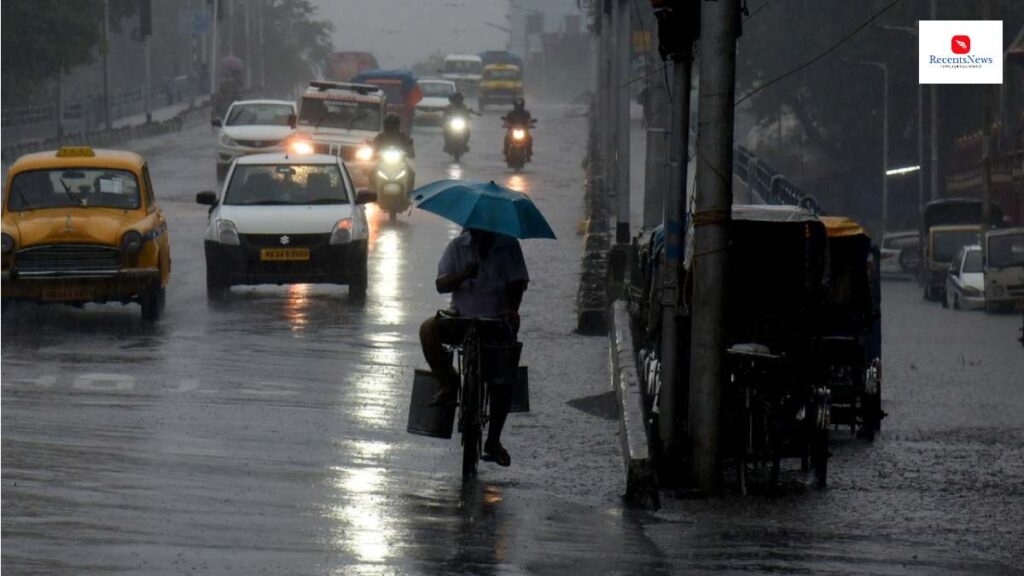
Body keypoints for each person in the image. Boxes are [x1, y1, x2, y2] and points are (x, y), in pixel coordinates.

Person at [419, 227, 530, 467]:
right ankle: (449, 383)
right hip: (461, 319)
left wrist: (512, 309)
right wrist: (463, 275)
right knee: (427, 329)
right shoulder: (457, 246)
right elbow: (441, 284)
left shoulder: (508, 246)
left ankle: (493, 440)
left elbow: (519, 283)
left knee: (504, 376)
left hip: (495, 322)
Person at [372, 113, 415, 189]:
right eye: (389, 124)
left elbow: (410, 147)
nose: (391, 127)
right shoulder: (380, 137)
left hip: (400, 164)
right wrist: (374, 153)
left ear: (397, 125)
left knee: (411, 173)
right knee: (371, 172)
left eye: (394, 124)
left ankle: (409, 193)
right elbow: (374, 148)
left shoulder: (403, 137)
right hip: (382, 163)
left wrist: (410, 152)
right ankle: (373, 192)